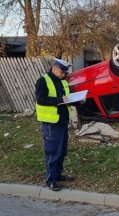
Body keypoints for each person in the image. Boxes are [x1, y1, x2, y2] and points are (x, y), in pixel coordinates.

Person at [35, 58, 76, 191]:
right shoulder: (43, 81)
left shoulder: (62, 81)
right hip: (51, 122)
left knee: (61, 150)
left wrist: (78, 101)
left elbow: (67, 99)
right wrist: (59, 100)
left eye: (65, 73)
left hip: (62, 121)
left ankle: (58, 175)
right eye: (63, 72)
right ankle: (51, 180)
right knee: (53, 151)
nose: (65, 75)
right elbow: (41, 100)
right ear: (55, 68)